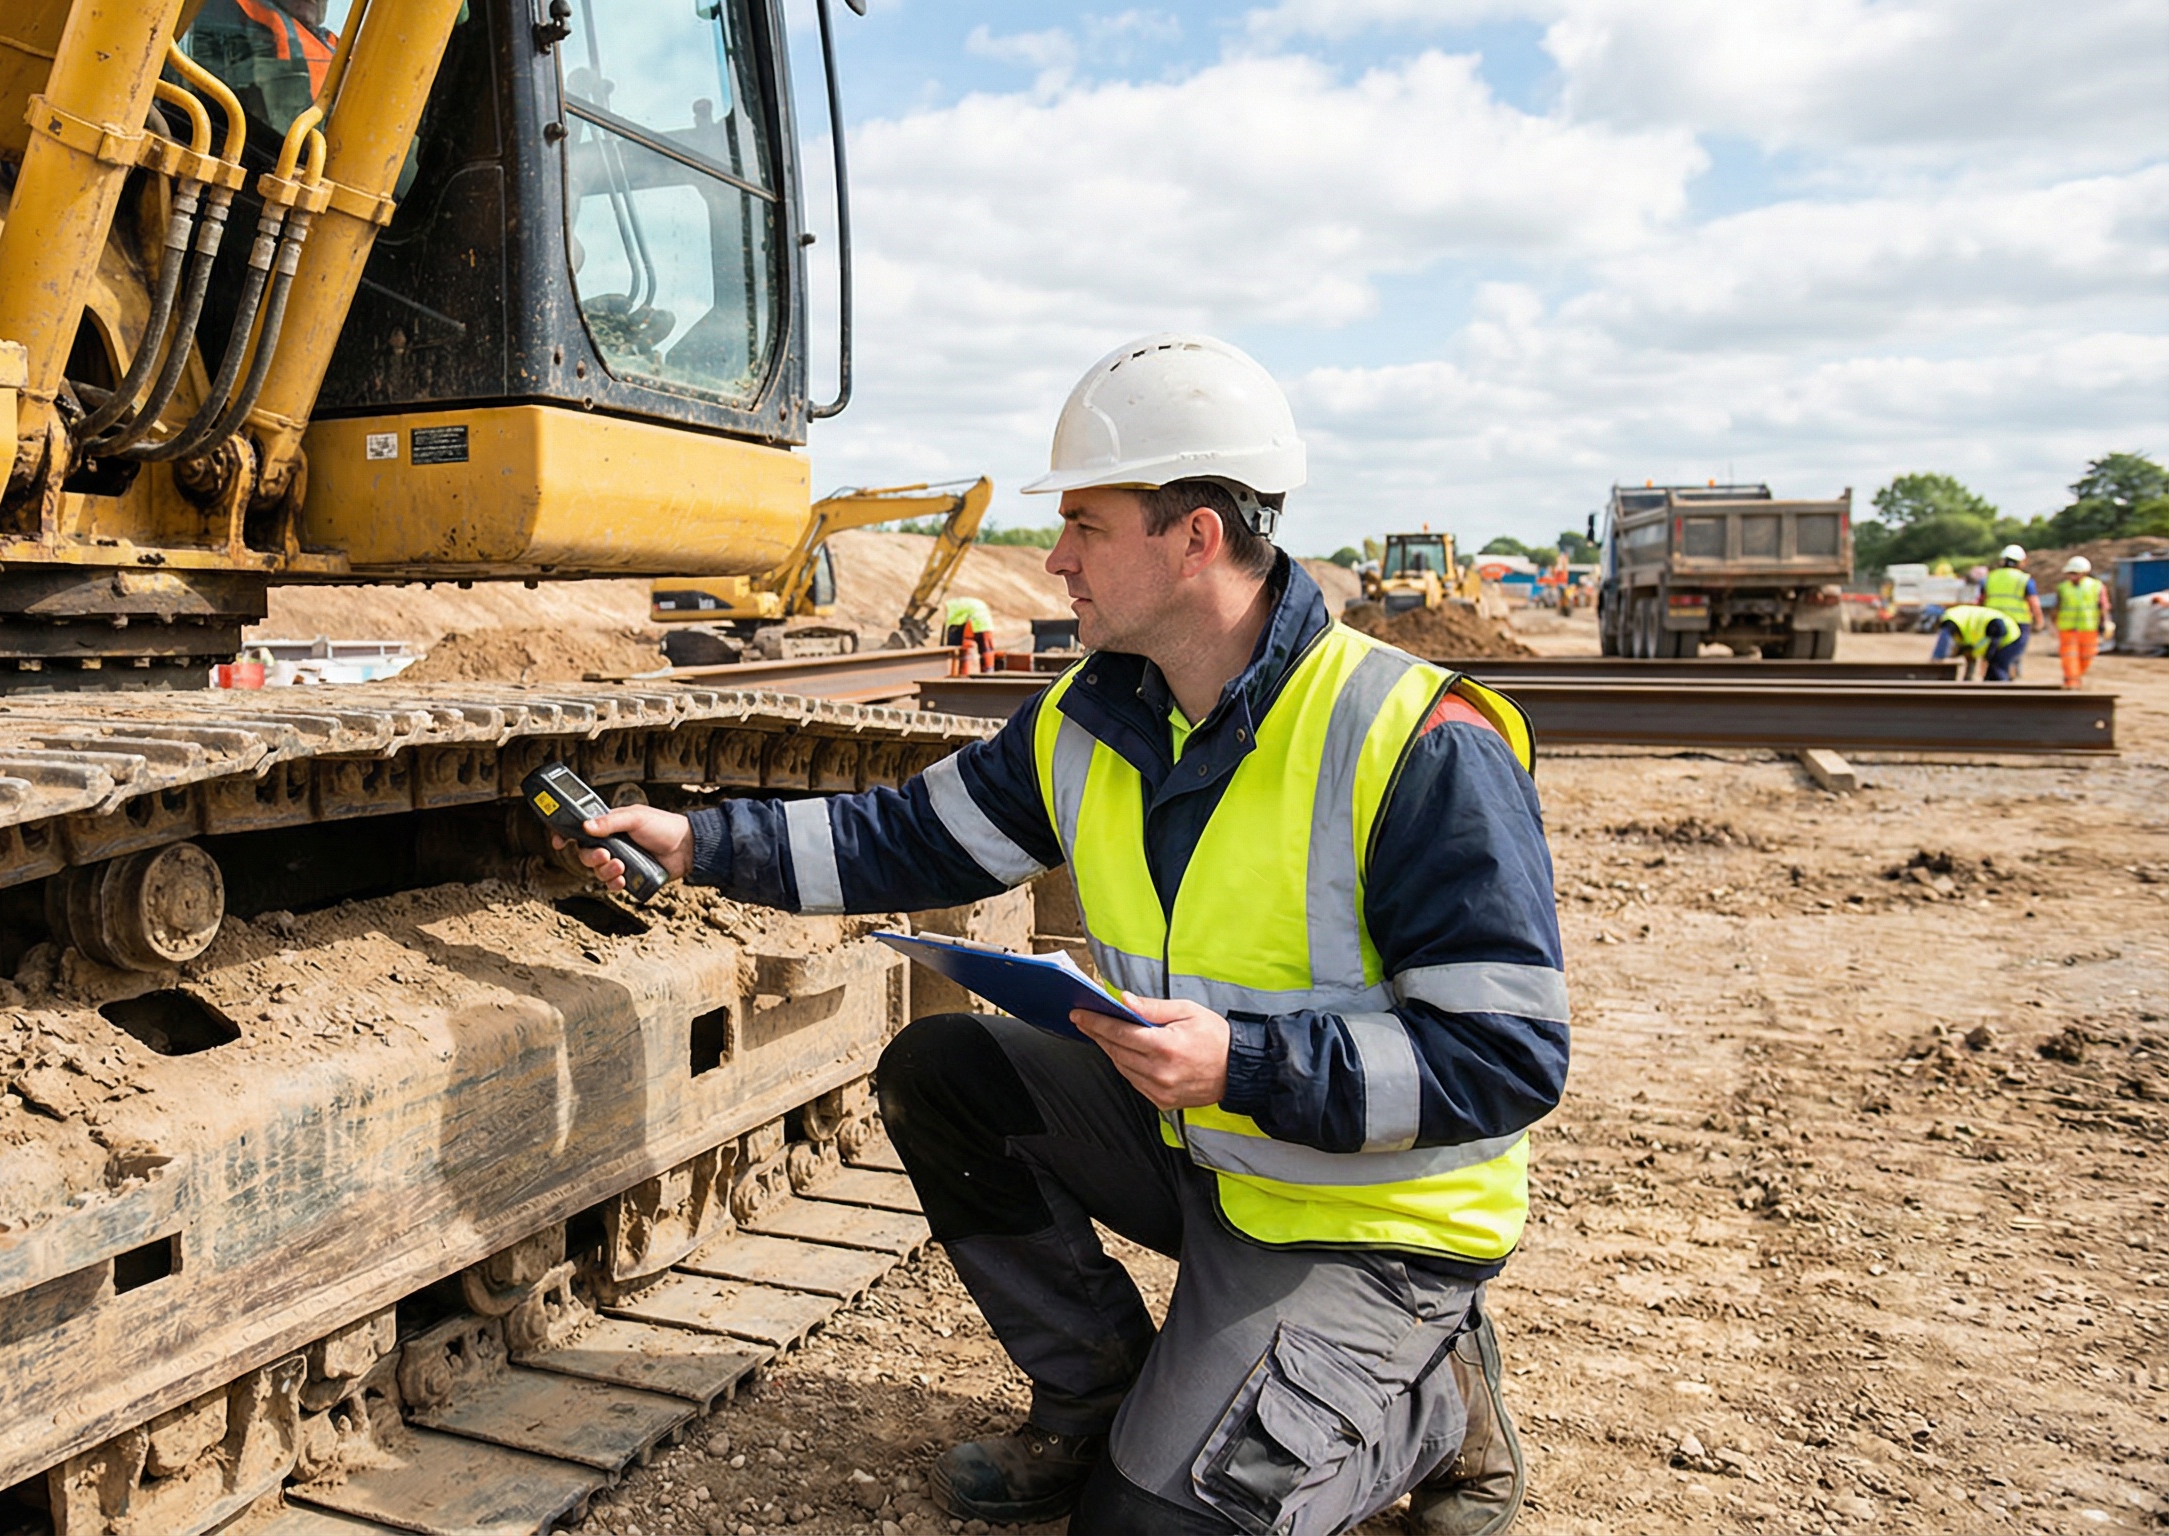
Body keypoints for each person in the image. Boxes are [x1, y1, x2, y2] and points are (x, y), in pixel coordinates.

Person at [560, 334, 1567, 1536]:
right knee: (947, 1073)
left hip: (1370, 1215)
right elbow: (904, 839)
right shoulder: (1095, 719)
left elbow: (1506, 1060)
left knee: (1154, 1528)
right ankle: (1098, 1403)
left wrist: (1240, 1064)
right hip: (1209, 1144)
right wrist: (693, 843)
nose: (1056, 558)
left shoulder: (1418, 740)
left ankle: (1432, 1399)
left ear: (1194, 536)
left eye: (1086, 524)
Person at [1980, 545, 2041, 678]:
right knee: (2008, 657)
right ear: (2021, 562)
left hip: (1993, 622)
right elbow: (2034, 602)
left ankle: (1995, 682)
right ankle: (2004, 683)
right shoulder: (2024, 579)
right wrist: (2039, 621)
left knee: (1994, 656)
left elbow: (1981, 600)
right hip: (2018, 622)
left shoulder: (1990, 577)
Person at [2053, 555, 2111, 689]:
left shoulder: (2097, 586)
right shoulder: (2063, 587)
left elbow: (2103, 606)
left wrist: (2106, 622)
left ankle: (2075, 678)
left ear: (2084, 572)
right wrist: (2053, 624)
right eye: (2070, 573)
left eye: (2075, 573)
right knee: (2069, 656)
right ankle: (2071, 683)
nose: (2072, 576)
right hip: (2068, 628)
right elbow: (2057, 607)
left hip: (2089, 628)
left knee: (2088, 655)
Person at [1935, 602, 2024, 681]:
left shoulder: (1955, 622)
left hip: (2009, 636)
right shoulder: (1968, 635)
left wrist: (1986, 659)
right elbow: (1971, 656)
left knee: (1997, 672)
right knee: (1991, 676)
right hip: (2001, 630)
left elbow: (1994, 640)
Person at [942, 594, 1000, 669]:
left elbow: (952, 622)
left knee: (966, 650)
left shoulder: (953, 608)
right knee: (986, 651)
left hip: (974, 623)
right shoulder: (964, 604)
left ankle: (963, 673)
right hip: (985, 624)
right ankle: (988, 671)